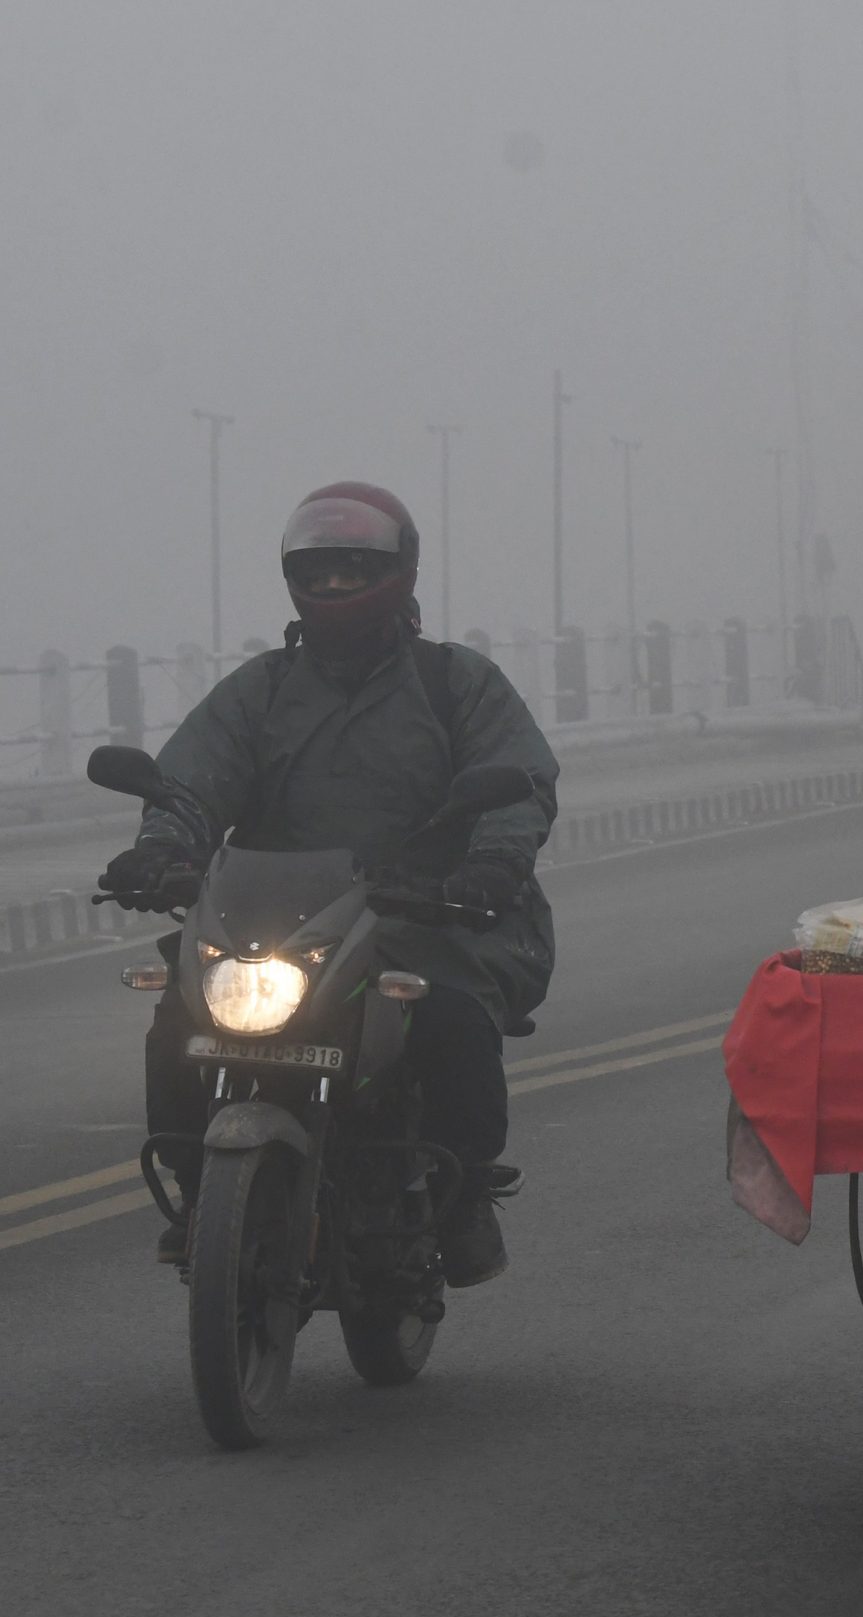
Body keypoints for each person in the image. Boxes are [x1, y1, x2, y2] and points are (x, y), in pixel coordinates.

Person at [103, 483, 559, 1286]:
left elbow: (517, 781)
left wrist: (488, 867)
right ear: (295, 579)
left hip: (431, 913)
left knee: (448, 1014)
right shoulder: (264, 690)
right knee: (179, 1012)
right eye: (323, 573)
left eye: (356, 572)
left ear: (397, 573)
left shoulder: (457, 684)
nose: (338, 589)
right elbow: (193, 780)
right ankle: (198, 1190)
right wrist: (161, 849)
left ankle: (463, 1192)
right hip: (282, 916)